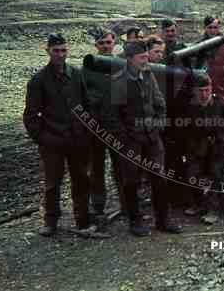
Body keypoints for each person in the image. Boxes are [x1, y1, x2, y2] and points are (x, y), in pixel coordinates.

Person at [105, 40, 182, 236]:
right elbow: (113, 117)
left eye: (147, 57)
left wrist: (158, 126)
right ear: (130, 59)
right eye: (142, 57)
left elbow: (160, 104)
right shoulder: (119, 82)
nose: (145, 60)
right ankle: (135, 221)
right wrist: (126, 139)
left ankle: (163, 220)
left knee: (159, 178)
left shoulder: (149, 76)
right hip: (131, 141)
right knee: (131, 181)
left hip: (153, 139)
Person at [23, 33, 89, 236]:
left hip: (77, 140)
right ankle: (50, 221)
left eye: (63, 50)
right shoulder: (39, 80)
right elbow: (31, 116)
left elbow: (87, 105)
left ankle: (83, 220)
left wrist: (86, 131)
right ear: (48, 52)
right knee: (52, 183)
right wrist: (43, 139)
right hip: (52, 142)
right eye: (56, 51)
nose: (60, 55)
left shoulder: (76, 75)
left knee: (81, 180)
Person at [181, 74, 224, 224]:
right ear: (195, 91)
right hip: (197, 147)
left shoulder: (222, 103)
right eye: (201, 91)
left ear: (211, 88)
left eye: (207, 90)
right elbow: (183, 127)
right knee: (192, 175)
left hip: (218, 148)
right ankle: (198, 203)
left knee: (216, 176)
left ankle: (213, 209)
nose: (204, 94)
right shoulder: (190, 106)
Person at [82, 28, 123, 224]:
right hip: (96, 130)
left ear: (114, 43)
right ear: (96, 46)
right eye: (102, 43)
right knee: (96, 170)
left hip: (117, 128)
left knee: (121, 168)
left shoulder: (121, 67)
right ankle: (98, 208)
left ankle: (126, 204)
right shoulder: (88, 69)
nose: (106, 46)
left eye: (109, 42)